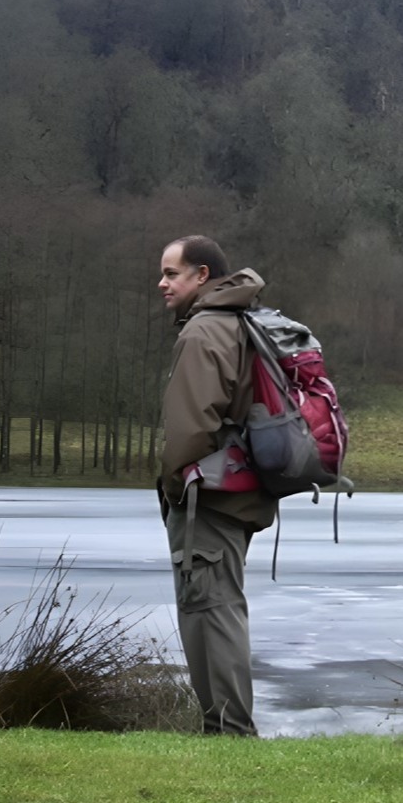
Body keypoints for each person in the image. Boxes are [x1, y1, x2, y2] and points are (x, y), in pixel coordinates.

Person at [156, 234, 276, 736]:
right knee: (214, 605)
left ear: (202, 275)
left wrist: (170, 487)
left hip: (209, 494)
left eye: (172, 273)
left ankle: (231, 732)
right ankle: (223, 728)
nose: (161, 283)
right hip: (239, 491)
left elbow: (190, 427)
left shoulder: (204, 333)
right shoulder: (240, 322)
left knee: (213, 609)